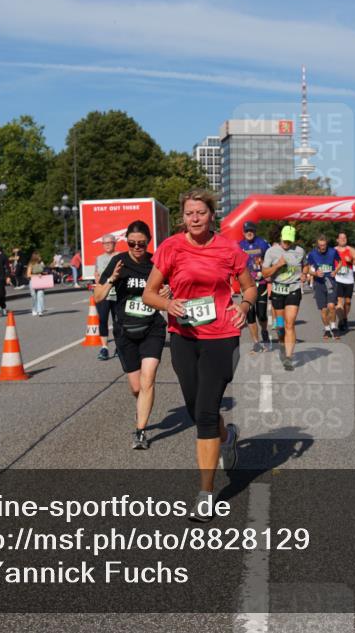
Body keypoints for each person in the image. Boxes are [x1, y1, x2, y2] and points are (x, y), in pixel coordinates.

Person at [142, 190, 256, 522]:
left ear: (211, 215)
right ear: (183, 217)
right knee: (195, 409)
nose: (195, 218)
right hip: (184, 336)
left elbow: (249, 286)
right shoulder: (171, 248)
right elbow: (149, 293)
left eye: (201, 212)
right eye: (190, 212)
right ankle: (228, 436)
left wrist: (245, 305)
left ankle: (205, 494)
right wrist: (168, 304)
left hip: (221, 335)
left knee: (206, 412)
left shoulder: (228, 249)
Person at [96, 221, 170, 450]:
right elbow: (98, 296)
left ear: (148, 243)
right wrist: (111, 280)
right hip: (125, 331)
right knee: (136, 387)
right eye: (132, 243)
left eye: (141, 244)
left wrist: (167, 293)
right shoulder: (118, 262)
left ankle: (141, 431)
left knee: (148, 379)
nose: (137, 247)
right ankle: (141, 412)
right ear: (126, 241)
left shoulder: (155, 263)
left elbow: (168, 289)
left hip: (152, 328)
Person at [262, 226, 306, 370]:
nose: (287, 243)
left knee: (290, 323)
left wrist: (304, 273)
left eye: (290, 241)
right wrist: (277, 265)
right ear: (281, 237)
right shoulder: (271, 251)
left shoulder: (299, 251)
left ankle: (288, 357)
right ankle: (282, 343)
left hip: (293, 290)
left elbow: (304, 265)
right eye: (285, 240)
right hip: (277, 291)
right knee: (280, 326)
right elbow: (264, 273)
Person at [238, 221, 272, 353]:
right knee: (250, 315)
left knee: (262, 315)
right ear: (243, 232)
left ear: (255, 231)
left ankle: (264, 331)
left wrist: (268, 272)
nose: (249, 233)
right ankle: (256, 342)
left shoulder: (263, 243)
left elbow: (272, 258)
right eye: (247, 231)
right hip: (246, 284)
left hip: (261, 283)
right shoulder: (239, 245)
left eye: (251, 230)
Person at [306, 235, 341, 341]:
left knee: (331, 306)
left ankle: (334, 328)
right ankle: (327, 329)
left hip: (330, 282)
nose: (323, 247)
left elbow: (340, 262)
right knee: (324, 309)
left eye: (324, 245)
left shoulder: (332, 252)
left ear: (327, 244)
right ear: (317, 245)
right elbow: (306, 268)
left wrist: (335, 271)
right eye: (321, 245)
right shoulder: (312, 254)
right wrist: (315, 273)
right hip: (319, 284)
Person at [94, 234, 120, 361]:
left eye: (110, 242)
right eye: (105, 243)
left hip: (117, 293)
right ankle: (104, 348)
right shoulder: (98, 258)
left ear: (115, 243)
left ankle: (119, 346)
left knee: (118, 321)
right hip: (103, 294)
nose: (107, 245)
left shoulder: (120, 256)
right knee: (102, 320)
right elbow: (97, 274)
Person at [334, 232, 355, 332]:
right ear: (337, 240)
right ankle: (341, 321)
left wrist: (351, 261)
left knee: (348, 302)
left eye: (344, 238)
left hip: (349, 280)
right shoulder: (334, 250)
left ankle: (345, 317)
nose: (343, 239)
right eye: (341, 238)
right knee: (339, 302)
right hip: (337, 279)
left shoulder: (351, 250)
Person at [25, 251, 48, 316]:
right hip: (33, 281)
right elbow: (28, 275)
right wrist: (36, 275)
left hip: (40, 281)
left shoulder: (41, 263)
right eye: (39, 256)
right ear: (36, 257)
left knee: (40, 295)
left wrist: (44, 273)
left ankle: (40, 310)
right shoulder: (31, 264)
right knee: (34, 296)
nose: (40, 257)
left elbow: (43, 271)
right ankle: (34, 309)